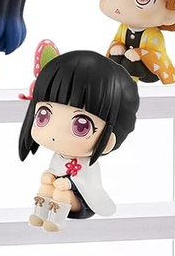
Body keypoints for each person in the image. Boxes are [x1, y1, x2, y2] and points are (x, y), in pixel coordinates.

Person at [18, 50, 139, 232]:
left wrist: (67, 184)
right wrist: (50, 175)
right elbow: (55, 169)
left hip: (83, 201)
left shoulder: (88, 164)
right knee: (46, 187)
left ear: (109, 140)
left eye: (81, 126)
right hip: (58, 190)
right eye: (44, 115)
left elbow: (88, 183)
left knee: (61, 193)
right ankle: (39, 214)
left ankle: (56, 221)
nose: (55, 133)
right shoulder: (59, 156)